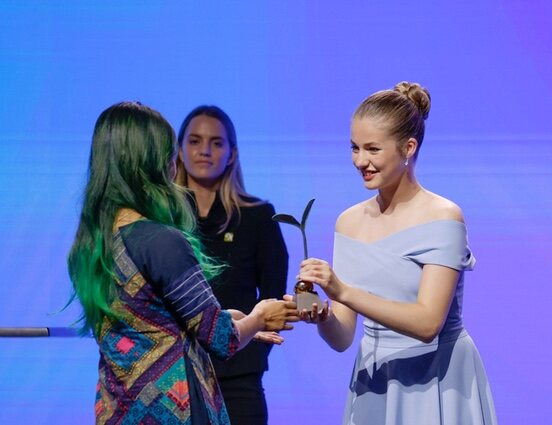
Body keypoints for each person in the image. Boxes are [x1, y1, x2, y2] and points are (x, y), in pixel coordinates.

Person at [67, 102, 298, 424]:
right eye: (171, 149)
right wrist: (258, 318)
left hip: (116, 409)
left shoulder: (89, 246)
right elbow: (222, 338)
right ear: (150, 159)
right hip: (176, 410)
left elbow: (146, 323)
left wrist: (220, 319)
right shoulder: (162, 240)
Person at [297, 82, 497, 425]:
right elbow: (344, 336)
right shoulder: (349, 222)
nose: (361, 161)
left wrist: (343, 290)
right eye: (355, 148)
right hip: (375, 379)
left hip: (439, 381)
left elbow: (427, 323)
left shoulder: (443, 216)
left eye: (373, 149)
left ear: (408, 147)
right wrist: (324, 316)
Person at [175, 105, 289, 425]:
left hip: (239, 377)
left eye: (217, 142)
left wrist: (245, 344)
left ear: (232, 153)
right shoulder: (162, 219)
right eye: (195, 141)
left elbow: (273, 300)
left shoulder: (259, 216)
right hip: (174, 378)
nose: (205, 151)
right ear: (180, 151)